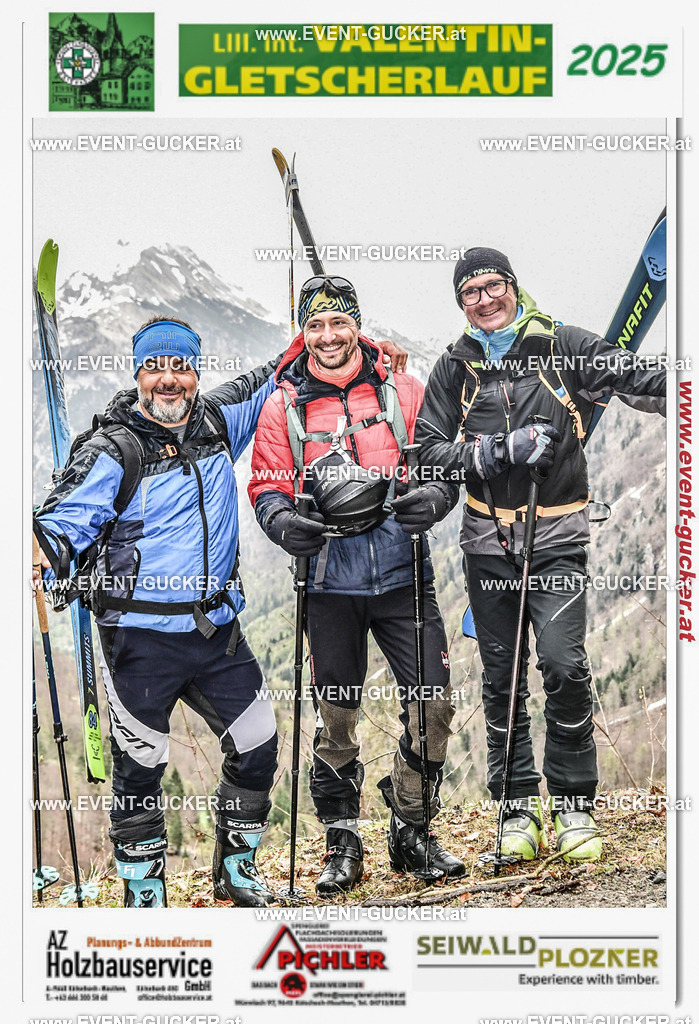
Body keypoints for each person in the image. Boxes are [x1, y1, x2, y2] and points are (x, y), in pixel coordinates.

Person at [414, 247, 666, 863]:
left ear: (513, 286)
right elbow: (426, 453)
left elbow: (635, 379)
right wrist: (500, 451)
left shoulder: (561, 345)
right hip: (488, 547)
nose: (484, 299)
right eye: (469, 292)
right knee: (501, 682)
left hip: (556, 543)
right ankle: (516, 810)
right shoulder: (455, 368)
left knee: (564, 666)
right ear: (461, 304)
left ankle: (574, 807)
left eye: (492, 285)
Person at [33, 316, 295, 908]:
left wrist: (363, 346)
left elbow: (281, 369)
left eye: (180, 366)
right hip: (140, 638)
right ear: (139, 372)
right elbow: (61, 521)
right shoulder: (114, 448)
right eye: (156, 366)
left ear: (196, 372)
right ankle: (145, 892)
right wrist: (38, 554)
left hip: (216, 630)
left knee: (257, 743)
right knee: (141, 769)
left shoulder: (218, 420)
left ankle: (237, 870)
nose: (169, 380)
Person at [248, 275, 465, 895]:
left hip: (403, 573)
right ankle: (343, 840)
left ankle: (410, 825)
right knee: (336, 715)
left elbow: (443, 459)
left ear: (356, 325)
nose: (328, 336)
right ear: (303, 333)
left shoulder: (402, 390)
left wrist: (436, 497)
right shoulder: (285, 405)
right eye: (314, 325)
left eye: (339, 322)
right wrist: (283, 523)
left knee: (434, 703)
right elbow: (266, 483)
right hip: (328, 583)